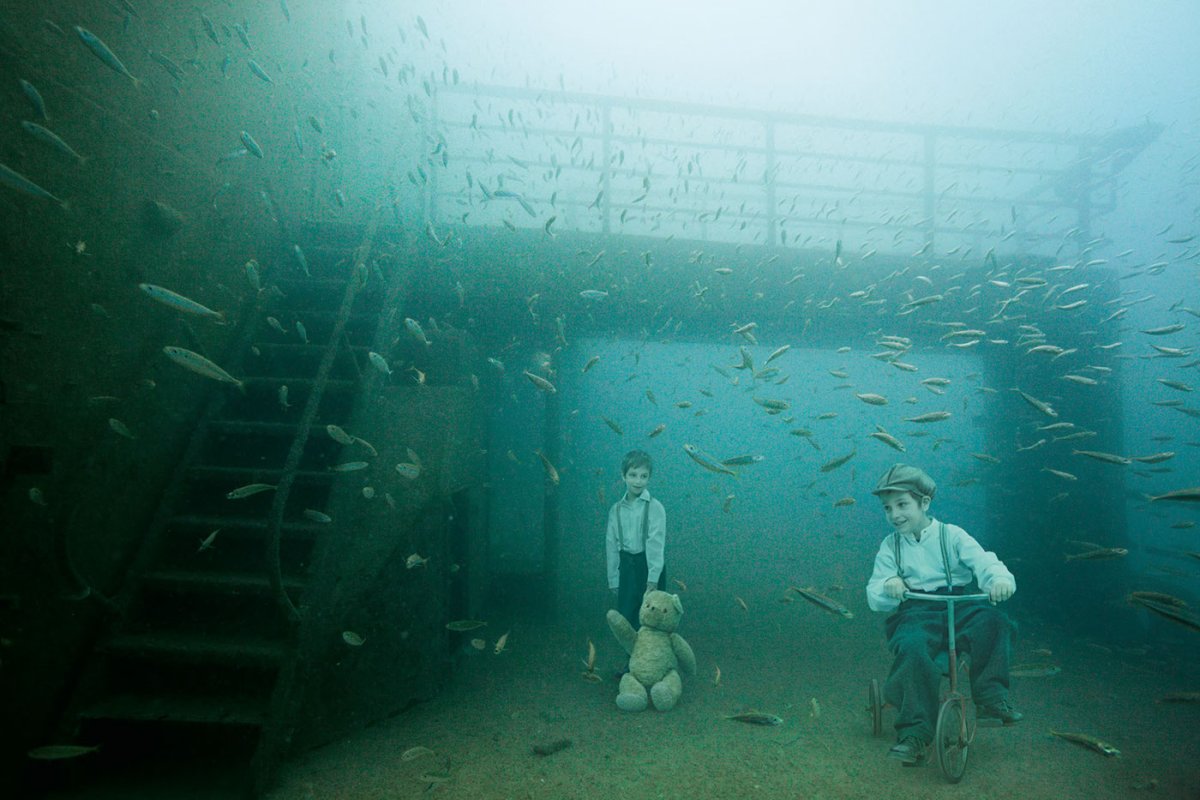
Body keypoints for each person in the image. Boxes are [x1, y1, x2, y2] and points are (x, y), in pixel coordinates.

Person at [865, 463, 1021, 766]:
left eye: (902, 504)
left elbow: (984, 562)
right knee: (912, 648)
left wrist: (999, 581)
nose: (895, 514)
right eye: (887, 508)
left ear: (924, 503)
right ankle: (914, 733)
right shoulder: (890, 547)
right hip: (916, 610)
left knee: (995, 622)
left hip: (960, 605)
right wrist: (890, 584)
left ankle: (991, 698)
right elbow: (875, 592)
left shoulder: (952, 535)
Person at [606, 450, 667, 632]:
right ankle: (631, 659)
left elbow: (656, 544)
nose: (638, 481)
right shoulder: (615, 510)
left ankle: (653, 660)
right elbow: (611, 547)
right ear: (623, 476)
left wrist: (653, 578)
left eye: (643, 476)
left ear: (649, 478)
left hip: (648, 565)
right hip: (626, 568)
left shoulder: (655, 508)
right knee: (626, 618)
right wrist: (613, 579)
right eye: (633, 475)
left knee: (652, 619)